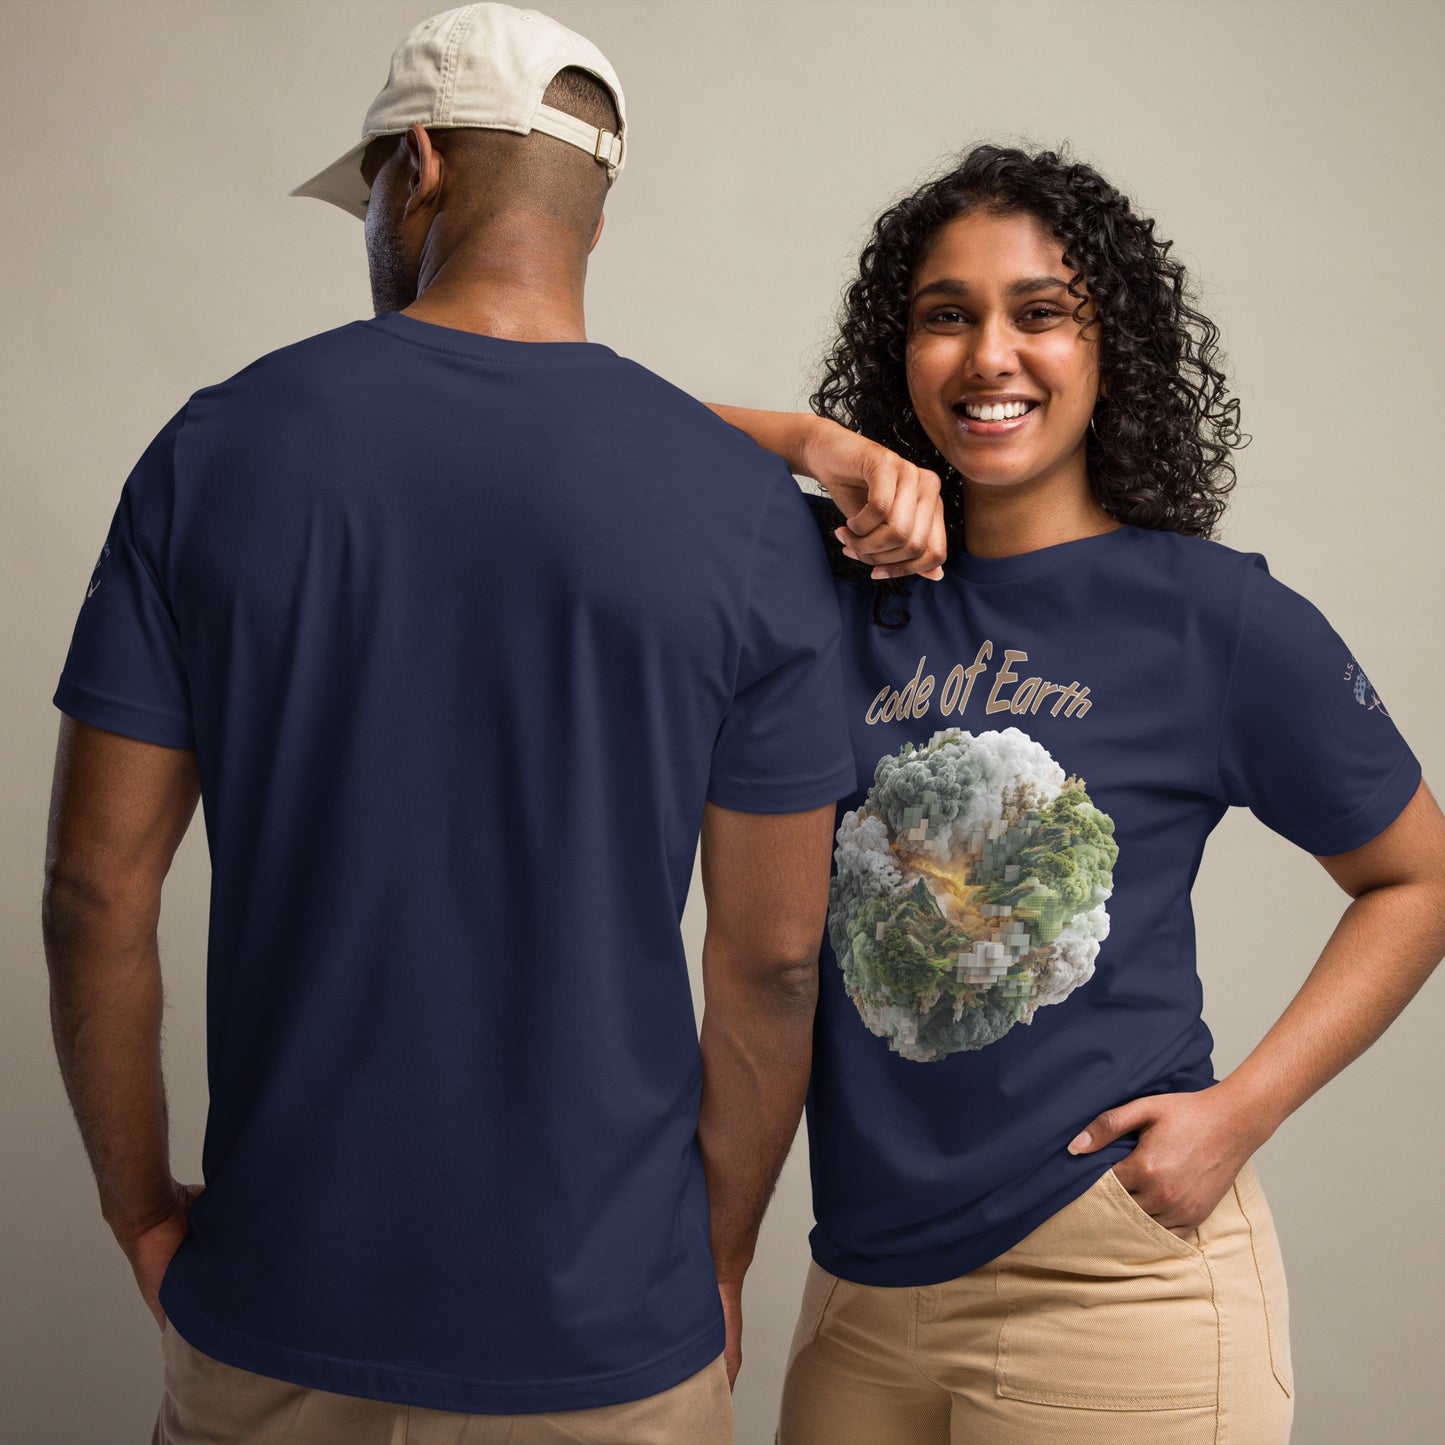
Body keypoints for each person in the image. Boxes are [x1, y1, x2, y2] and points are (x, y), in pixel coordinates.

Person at [41, 5, 855, 1442]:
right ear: (596, 210)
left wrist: (139, 1210)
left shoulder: (215, 451)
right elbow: (773, 961)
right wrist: (712, 1263)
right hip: (607, 1335)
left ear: (412, 169)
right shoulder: (744, 520)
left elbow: (93, 889)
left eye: (365, 190)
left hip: (277, 1301)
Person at [711, 143, 1445, 1444]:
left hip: (1110, 1280)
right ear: (901, 348)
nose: (990, 354)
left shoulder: (1210, 618)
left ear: (1113, 349)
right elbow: (592, 435)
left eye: (1039, 312)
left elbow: (1417, 876)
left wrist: (1243, 1107)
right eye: (947, 315)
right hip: (859, 1287)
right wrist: (816, 443)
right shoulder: (825, 589)